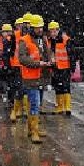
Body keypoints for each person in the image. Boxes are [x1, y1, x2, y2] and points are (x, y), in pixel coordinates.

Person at [18, 14, 53, 143]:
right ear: (31, 27)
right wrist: (38, 63)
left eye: (41, 27)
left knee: (37, 103)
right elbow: (22, 58)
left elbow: (46, 53)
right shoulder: (24, 40)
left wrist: (50, 60)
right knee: (35, 103)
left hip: (41, 76)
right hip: (31, 77)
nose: (39, 29)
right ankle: (34, 131)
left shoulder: (43, 39)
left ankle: (32, 129)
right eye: (37, 27)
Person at [46, 21, 73, 116]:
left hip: (65, 67)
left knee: (66, 87)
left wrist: (72, 67)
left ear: (58, 30)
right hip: (55, 67)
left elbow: (72, 54)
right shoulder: (49, 41)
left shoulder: (65, 39)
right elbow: (49, 54)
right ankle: (60, 107)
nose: (53, 33)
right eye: (51, 31)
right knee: (58, 87)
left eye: (54, 31)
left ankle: (67, 107)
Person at [9, 17, 25, 122]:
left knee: (26, 88)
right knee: (19, 87)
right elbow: (10, 51)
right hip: (18, 65)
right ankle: (17, 109)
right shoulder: (15, 35)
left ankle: (22, 109)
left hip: (27, 65)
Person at [0, 23, 14, 101]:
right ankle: (9, 96)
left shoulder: (9, 41)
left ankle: (11, 97)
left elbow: (7, 54)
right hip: (7, 63)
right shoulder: (5, 40)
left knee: (9, 80)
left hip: (9, 63)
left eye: (4, 32)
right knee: (6, 79)